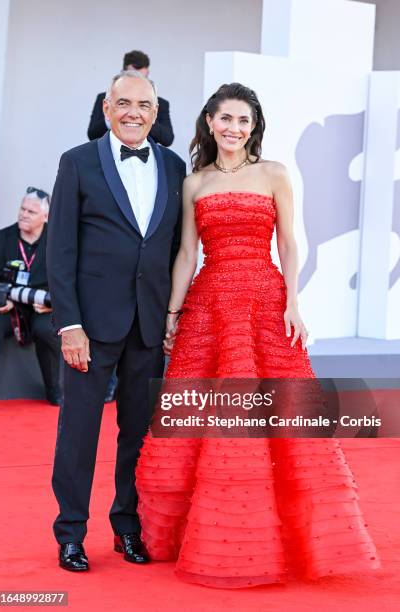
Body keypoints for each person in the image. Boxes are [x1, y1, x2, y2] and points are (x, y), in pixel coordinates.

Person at [135, 83, 381, 587]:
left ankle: (292, 540)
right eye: (225, 119)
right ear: (210, 122)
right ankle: (190, 533)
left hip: (266, 301)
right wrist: (173, 314)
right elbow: (187, 253)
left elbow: (291, 242)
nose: (234, 129)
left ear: (254, 127)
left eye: (243, 121)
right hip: (209, 304)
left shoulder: (274, 174)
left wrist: (294, 301)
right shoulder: (195, 182)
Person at [47, 69, 185, 572]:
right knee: (79, 433)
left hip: (148, 327)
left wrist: (173, 314)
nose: (133, 113)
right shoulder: (77, 163)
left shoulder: (173, 167)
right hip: (90, 328)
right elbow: (60, 251)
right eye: (123, 104)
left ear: (155, 112)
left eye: (144, 106)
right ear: (106, 108)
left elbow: (171, 248)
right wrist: (69, 325)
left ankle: (127, 528)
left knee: (139, 436)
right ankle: (71, 533)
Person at [0, 188, 61, 405]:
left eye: (31, 211)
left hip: (44, 305)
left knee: (47, 329)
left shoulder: (59, 241)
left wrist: (54, 304)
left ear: (45, 216)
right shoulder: (1, 239)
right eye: (22, 208)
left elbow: (71, 279)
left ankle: (55, 391)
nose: (24, 214)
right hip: (10, 305)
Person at [88, 50, 174, 146]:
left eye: (142, 77)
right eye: (132, 76)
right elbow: (92, 134)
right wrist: (112, 116)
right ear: (122, 73)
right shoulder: (104, 98)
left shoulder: (160, 103)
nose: (136, 82)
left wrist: (146, 117)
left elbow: (168, 139)